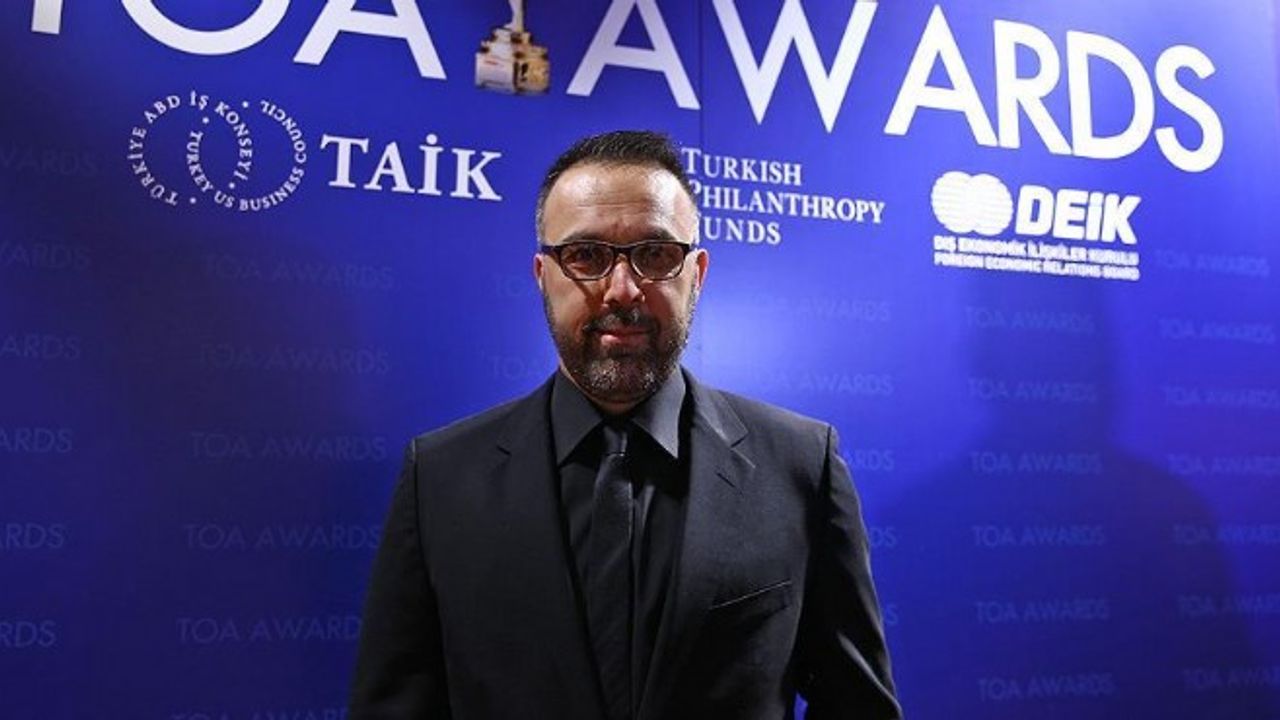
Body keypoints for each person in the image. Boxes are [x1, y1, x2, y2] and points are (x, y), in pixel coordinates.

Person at [348, 130, 902, 719]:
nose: (622, 290)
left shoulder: (801, 465)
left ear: (697, 274)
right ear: (542, 274)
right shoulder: (439, 479)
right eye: (586, 256)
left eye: (656, 255)